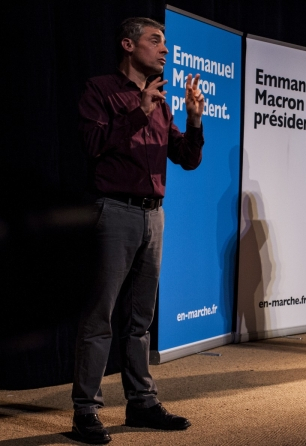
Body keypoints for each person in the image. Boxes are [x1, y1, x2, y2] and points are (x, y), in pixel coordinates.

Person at [72, 17, 205, 443]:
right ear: (128, 44)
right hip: (114, 212)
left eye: (166, 43)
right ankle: (85, 411)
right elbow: (92, 147)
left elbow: (186, 158)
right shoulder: (101, 90)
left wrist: (194, 119)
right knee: (100, 316)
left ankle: (141, 404)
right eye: (156, 41)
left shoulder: (163, 101)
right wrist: (138, 110)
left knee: (141, 319)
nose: (165, 50)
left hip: (154, 215)